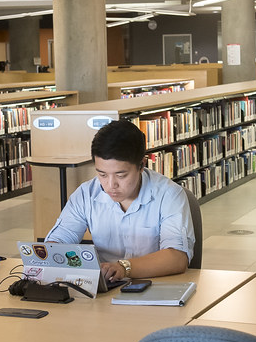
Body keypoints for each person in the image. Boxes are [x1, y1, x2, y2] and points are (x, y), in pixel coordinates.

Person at [45, 119, 194, 282]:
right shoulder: (86, 194)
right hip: (105, 288)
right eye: (102, 174)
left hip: (156, 284)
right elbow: (57, 242)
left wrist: (123, 267)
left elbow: (177, 258)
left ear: (141, 165)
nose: (111, 185)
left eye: (121, 175)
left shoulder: (169, 195)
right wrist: (54, 251)